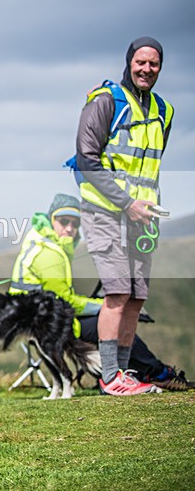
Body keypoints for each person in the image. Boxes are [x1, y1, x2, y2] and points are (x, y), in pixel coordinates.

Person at [9, 194, 192, 391]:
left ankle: (137, 373)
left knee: (109, 316)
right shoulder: (48, 252)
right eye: (63, 221)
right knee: (113, 322)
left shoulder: (44, 243)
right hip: (46, 322)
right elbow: (63, 301)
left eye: (75, 223)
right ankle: (154, 373)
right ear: (51, 219)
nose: (70, 228)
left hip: (38, 318)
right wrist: (102, 308)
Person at [75, 37, 175, 396]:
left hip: (144, 219)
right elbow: (87, 160)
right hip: (105, 212)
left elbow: (149, 168)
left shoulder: (164, 111)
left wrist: (147, 209)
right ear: (129, 62)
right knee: (116, 292)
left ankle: (125, 373)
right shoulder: (105, 101)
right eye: (141, 62)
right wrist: (125, 203)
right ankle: (110, 376)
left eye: (154, 64)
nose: (147, 69)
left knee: (135, 296)